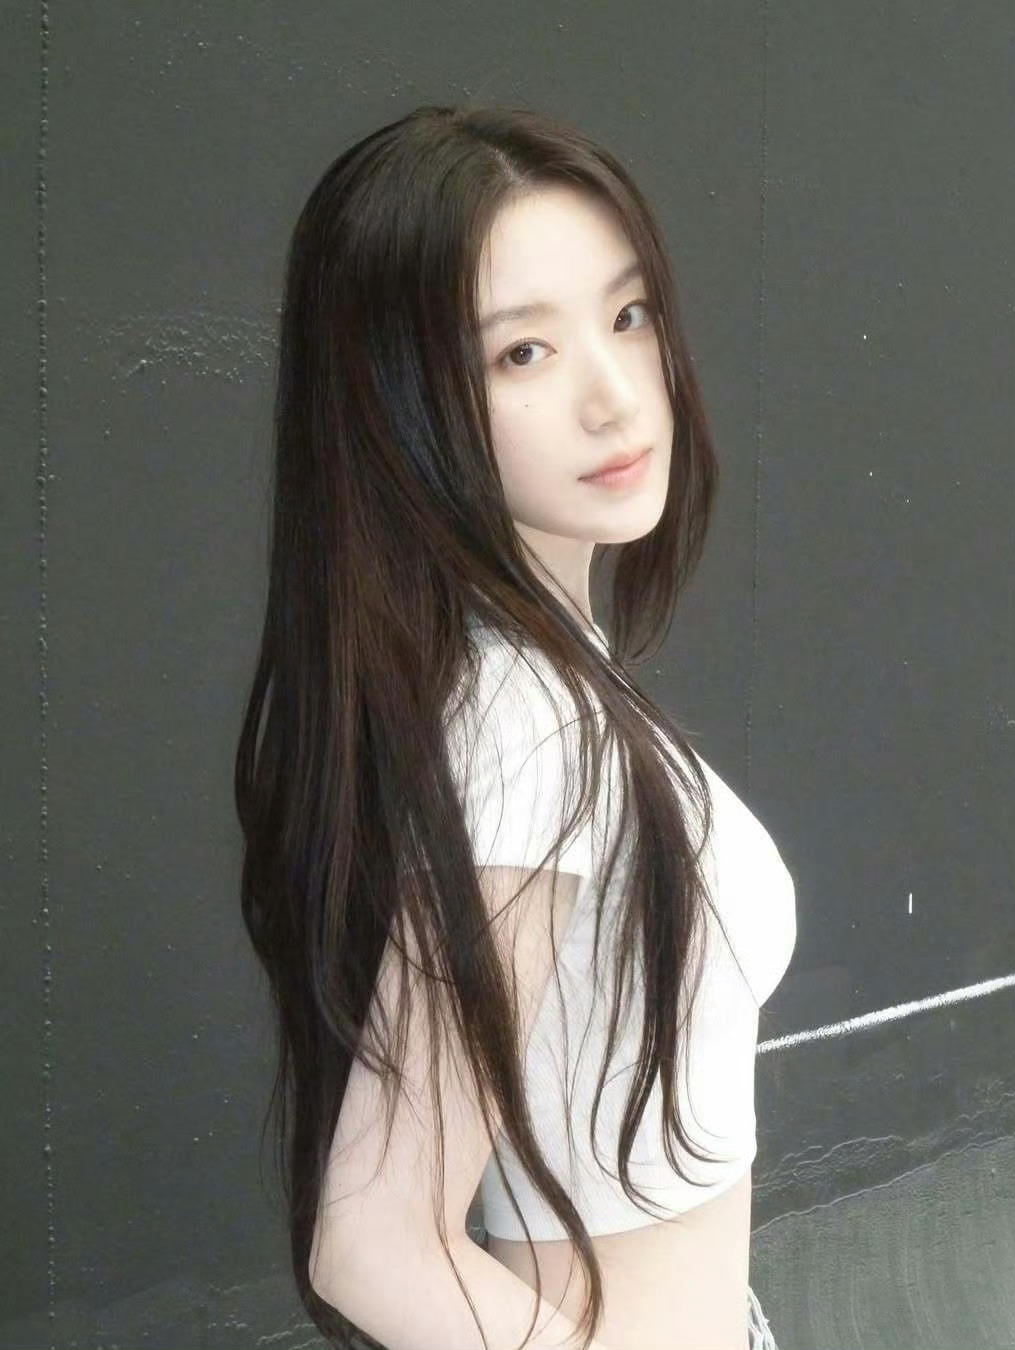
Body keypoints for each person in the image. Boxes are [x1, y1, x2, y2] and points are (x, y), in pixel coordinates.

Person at [234, 101, 796, 1350]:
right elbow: (376, 1247)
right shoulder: (525, 726)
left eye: (629, 315)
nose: (615, 397)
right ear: (399, 405)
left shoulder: (541, 681)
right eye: (522, 354)